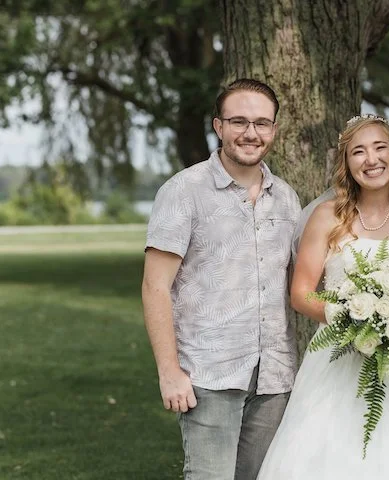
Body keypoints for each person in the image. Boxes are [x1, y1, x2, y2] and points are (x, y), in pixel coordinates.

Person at [256, 115, 389, 479]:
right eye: (358, 151)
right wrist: (353, 321)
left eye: (380, 147)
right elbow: (301, 293)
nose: (371, 159)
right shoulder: (327, 216)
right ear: (347, 163)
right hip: (334, 363)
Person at [141, 78, 301, 480]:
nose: (251, 133)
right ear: (219, 126)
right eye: (239, 122)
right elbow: (155, 287)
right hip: (209, 374)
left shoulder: (286, 198)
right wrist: (169, 372)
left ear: (274, 129)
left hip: (275, 375)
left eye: (261, 123)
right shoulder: (183, 191)